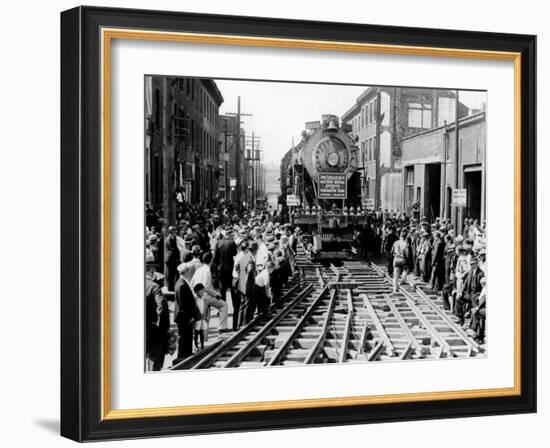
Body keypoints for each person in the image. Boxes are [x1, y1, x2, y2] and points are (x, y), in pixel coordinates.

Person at [191, 251, 229, 333]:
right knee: (224, 305)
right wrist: (216, 295)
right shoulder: (207, 270)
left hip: (196, 295)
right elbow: (206, 287)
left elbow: (192, 283)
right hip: (205, 296)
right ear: (211, 260)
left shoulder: (199, 269)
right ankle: (222, 327)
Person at [145, 254, 169, 370]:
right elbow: (162, 308)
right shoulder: (154, 287)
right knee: (154, 363)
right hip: (153, 332)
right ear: (152, 269)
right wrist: (162, 326)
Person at [174, 264, 198, 359]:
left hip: (183, 316)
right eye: (188, 271)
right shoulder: (182, 285)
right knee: (184, 338)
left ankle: (186, 355)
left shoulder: (181, 282)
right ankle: (183, 357)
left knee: (186, 337)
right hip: (184, 317)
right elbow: (184, 304)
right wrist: (190, 317)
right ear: (186, 272)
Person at [238, 241, 258, 325]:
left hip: (241, 284)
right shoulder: (250, 259)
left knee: (242, 305)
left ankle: (240, 323)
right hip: (248, 286)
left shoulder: (244, 257)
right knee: (249, 305)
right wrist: (251, 277)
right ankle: (246, 324)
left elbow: (237, 266)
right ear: (255, 250)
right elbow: (250, 270)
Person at [164, 226, 180, 291]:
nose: (176, 231)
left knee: (174, 274)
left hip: (173, 259)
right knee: (170, 274)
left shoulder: (173, 238)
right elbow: (172, 250)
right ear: (171, 232)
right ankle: (170, 288)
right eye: (174, 230)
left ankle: (173, 287)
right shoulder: (169, 239)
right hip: (170, 259)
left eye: (176, 230)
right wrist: (179, 251)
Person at [193, 283, 209, 350]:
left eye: (203, 291)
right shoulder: (194, 300)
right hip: (197, 318)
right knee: (196, 332)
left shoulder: (204, 299)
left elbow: (207, 308)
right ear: (196, 292)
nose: (202, 293)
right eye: (201, 291)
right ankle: (196, 345)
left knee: (202, 332)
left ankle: (202, 345)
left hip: (203, 318)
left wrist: (207, 316)